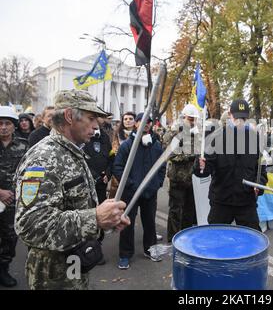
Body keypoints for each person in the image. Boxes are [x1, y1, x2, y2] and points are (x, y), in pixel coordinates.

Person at [14, 90, 130, 290]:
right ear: (69, 116)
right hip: (53, 276)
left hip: (74, 265)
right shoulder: (44, 158)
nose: (96, 125)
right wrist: (94, 218)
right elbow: (29, 224)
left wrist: (104, 220)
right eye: (91, 118)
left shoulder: (72, 151)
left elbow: (74, 206)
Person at [194, 99, 267, 231]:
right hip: (221, 201)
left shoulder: (256, 139)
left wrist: (259, 185)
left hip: (246, 202)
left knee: (252, 241)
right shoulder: (216, 138)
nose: (240, 121)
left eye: (243, 118)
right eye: (237, 117)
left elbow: (261, 170)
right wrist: (201, 166)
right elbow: (203, 171)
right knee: (216, 240)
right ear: (230, 115)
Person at [113, 113, 166, 269]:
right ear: (136, 124)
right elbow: (117, 167)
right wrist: (130, 184)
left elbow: (162, 166)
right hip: (130, 192)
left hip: (150, 192)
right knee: (127, 224)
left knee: (150, 223)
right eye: (143, 121)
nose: (147, 124)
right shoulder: (127, 145)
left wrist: (158, 183)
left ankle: (150, 249)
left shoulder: (156, 145)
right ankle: (125, 255)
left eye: (149, 122)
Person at [163, 104, 201, 243]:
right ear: (184, 117)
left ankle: (186, 235)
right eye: (191, 119)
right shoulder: (174, 131)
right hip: (177, 177)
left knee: (189, 210)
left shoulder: (196, 131)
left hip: (191, 177)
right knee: (175, 209)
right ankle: (173, 237)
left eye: (194, 119)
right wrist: (189, 155)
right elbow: (169, 153)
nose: (193, 122)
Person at [0, 106, 29, 287]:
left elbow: (31, 174)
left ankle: (3, 269)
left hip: (13, 202)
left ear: (14, 126)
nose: (3, 127)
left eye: (7, 123)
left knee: (10, 238)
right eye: (0, 123)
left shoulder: (24, 145)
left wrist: (22, 196)